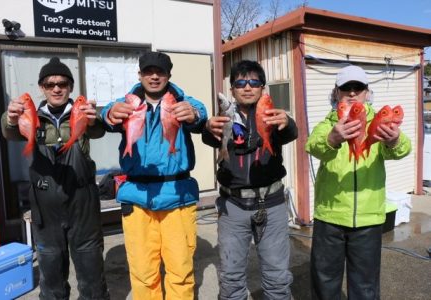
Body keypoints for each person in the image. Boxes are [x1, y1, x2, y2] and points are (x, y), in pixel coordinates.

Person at [101, 51, 207, 300]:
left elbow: (199, 114)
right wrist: (108, 113)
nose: (154, 76)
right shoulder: (128, 103)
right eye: (148, 71)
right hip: (137, 198)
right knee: (142, 273)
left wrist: (195, 115)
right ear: (140, 75)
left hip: (177, 196)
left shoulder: (182, 101)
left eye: (160, 72)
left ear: (169, 75)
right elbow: (105, 115)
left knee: (180, 271)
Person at [1, 57, 109, 299]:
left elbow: (97, 129)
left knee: (91, 269)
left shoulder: (82, 111)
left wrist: (93, 120)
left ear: (70, 87)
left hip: (82, 200)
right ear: (42, 88)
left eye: (62, 83)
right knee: (50, 273)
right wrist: (10, 118)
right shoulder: (31, 115)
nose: (57, 88)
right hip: (44, 203)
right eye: (50, 84)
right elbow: (9, 131)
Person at [305, 65, 411, 300]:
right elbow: (313, 145)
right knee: (325, 282)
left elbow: (403, 149)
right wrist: (332, 138)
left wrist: (394, 141)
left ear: (367, 92)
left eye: (358, 87)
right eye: (346, 88)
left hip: (368, 218)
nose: (352, 93)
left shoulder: (380, 121)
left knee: (365, 285)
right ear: (337, 93)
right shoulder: (329, 122)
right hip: (329, 216)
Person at [202, 60, 297, 299]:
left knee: (277, 278)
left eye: (254, 82)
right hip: (233, 206)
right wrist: (207, 126)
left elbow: (291, 131)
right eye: (240, 83)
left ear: (262, 88)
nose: (247, 87)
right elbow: (208, 136)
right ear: (232, 89)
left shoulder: (272, 114)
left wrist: (286, 123)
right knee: (231, 278)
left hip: (271, 204)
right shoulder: (225, 117)